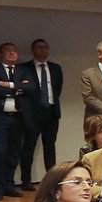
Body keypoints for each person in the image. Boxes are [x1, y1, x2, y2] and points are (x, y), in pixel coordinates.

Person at [0, 42, 32, 200]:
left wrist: (8, 85)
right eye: (8, 51)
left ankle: (10, 184)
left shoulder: (24, 70)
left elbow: (32, 88)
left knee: (14, 153)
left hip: (18, 118)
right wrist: (18, 87)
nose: (12, 54)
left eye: (15, 52)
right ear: (0, 54)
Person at [18, 38, 64, 189]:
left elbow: (57, 89)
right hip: (32, 113)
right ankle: (26, 181)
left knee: (50, 147)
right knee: (28, 148)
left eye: (46, 47)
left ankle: (51, 180)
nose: (43, 50)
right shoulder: (24, 68)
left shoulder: (55, 68)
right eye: (39, 47)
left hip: (51, 112)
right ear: (32, 50)